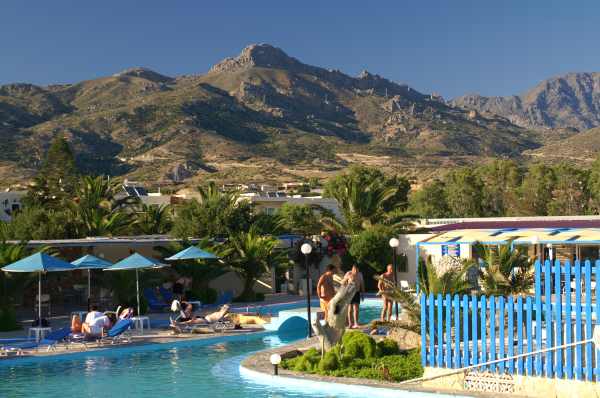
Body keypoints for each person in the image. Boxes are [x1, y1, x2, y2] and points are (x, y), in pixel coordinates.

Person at [343, 264, 365, 329]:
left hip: (357, 292)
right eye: (354, 270)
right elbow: (343, 282)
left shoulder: (360, 274)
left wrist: (363, 294)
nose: (356, 271)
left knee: (356, 309)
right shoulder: (348, 273)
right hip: (349, 292)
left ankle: (356, 323)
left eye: (357, 270)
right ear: (352, 269)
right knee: (350, 309)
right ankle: (350, 323)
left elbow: (362, 284)